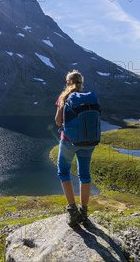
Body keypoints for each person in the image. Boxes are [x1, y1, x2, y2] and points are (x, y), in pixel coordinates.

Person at [55, 70, 96, 227]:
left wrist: (61, 104)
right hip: (89, 143)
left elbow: (59, 122)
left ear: (67, 83)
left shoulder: (64, 98)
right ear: (81, 83)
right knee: (84, 175)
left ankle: (73, 212)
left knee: (64, 172)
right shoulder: (88, 99)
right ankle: (84, 213)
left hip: (69, 142)